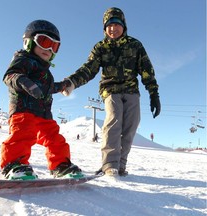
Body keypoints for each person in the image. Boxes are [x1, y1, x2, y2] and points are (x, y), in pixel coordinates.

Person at [62, 7, 161, 177]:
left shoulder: (135, 45)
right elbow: (89, 69)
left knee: (131, 126)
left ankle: (120, 165)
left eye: (117, 24)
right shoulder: (101, 47)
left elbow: (146, 70)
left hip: (131, 91)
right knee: (114, 120)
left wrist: (154, 94)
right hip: (111, 90)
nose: (113, 28)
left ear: (124, 26)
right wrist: (72, 82)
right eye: (109, 25)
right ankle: (109, 164)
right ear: (104, 28)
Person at [1, 20, 83, 181]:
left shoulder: (46, 72)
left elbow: (49, 87)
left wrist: (63, 85)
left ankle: (60, 165)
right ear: (29, 42)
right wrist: (24, 82)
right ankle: (14, 164)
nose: (49, 49)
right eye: (44, 42)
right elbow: (10, 76)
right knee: (23, 135)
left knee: (55, 139)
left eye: (54, 46)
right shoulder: (23, 60)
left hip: (44, 114)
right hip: (23, 109)